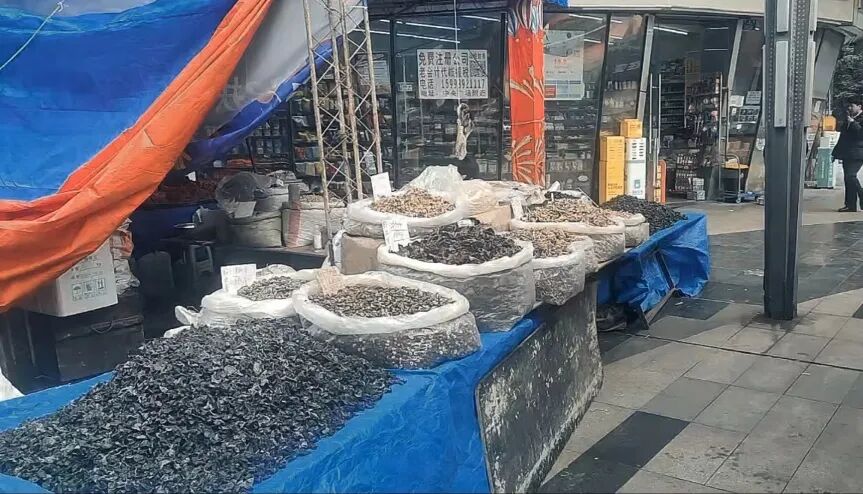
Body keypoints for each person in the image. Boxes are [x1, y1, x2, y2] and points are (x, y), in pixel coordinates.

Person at [833, 96, 863, 212]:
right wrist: (836, 152)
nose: (849, 108)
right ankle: (850, 205)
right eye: (849, 106)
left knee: (851, 176)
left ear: (859, 106)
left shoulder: (857, 119)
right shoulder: (848, 118)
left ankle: (861, 193)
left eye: (852, 106)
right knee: (847, 178)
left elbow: (861, 134)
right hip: (847, 153)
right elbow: (843, 138)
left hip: (858, 153)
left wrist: (853, 123)